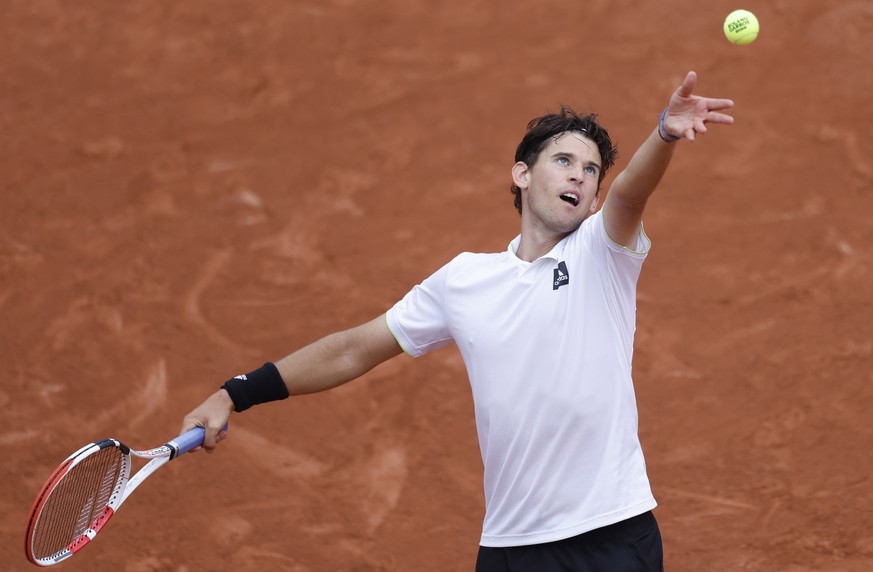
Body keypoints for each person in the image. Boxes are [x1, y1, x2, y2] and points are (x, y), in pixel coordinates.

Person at [180, 70, 733, 571]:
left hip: (612, 534)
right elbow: (355, 349)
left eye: (591, 171)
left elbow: (632, 192)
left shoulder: (602, 252)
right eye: (564, 161)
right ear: (522, 173)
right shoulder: (464, 280)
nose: (580, 177)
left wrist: (663, 134)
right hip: (511, 546)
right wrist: (236, 393)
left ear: (593, 202)